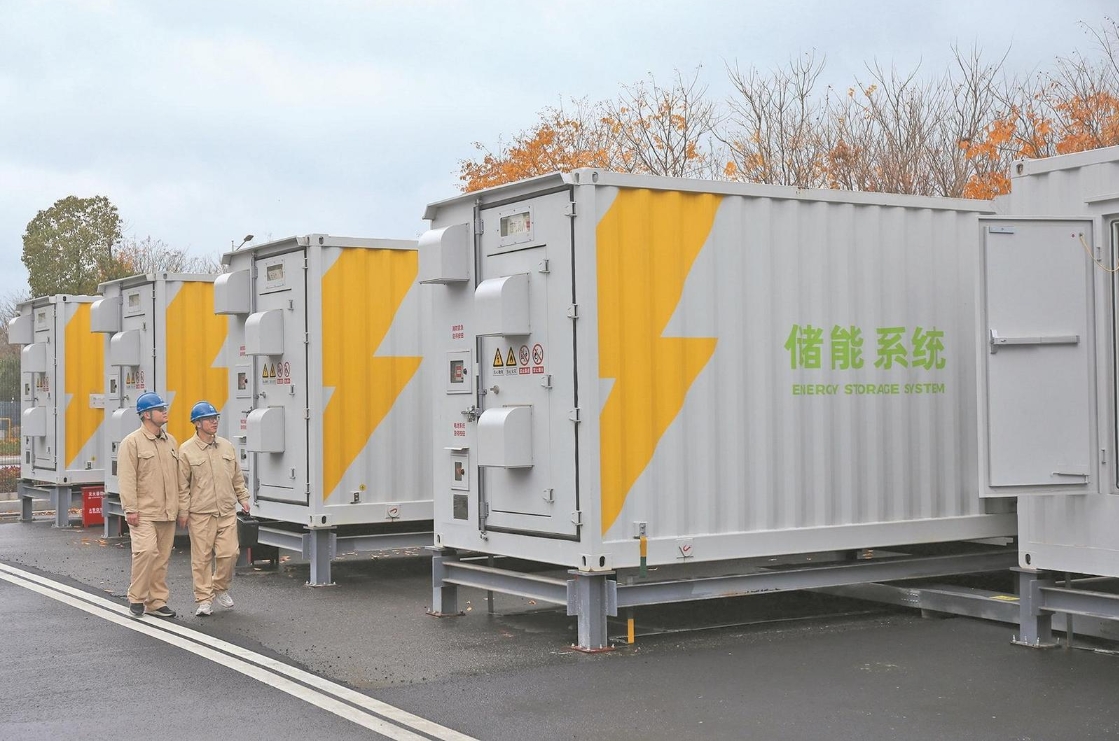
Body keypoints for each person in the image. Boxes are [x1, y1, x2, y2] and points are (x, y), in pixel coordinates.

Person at [177, 400, 250, 617]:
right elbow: (182, 485)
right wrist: (183, 511)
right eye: (209, 419)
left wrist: (243, 497)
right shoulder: (186, 451)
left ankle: (220, 587)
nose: (214, 422)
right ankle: (204, 599)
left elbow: (236, 476)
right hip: (201, 513)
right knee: (201, 558)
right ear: (197, 423)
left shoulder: (226, 446)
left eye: (215, 418)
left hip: (226, 511)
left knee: (230, 553)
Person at [119, 391, 180, 618]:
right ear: (146, 414)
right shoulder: (132, 442)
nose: (165, 411)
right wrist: (130, 509)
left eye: (164, 408)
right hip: (144, 511)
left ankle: (156, 602)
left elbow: (178, 478)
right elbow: (127, 479)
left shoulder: (171, 441)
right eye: (160, 409)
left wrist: (181, 508)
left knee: (161, 559)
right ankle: (136, 598)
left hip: (168, 511)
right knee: (145, 552)